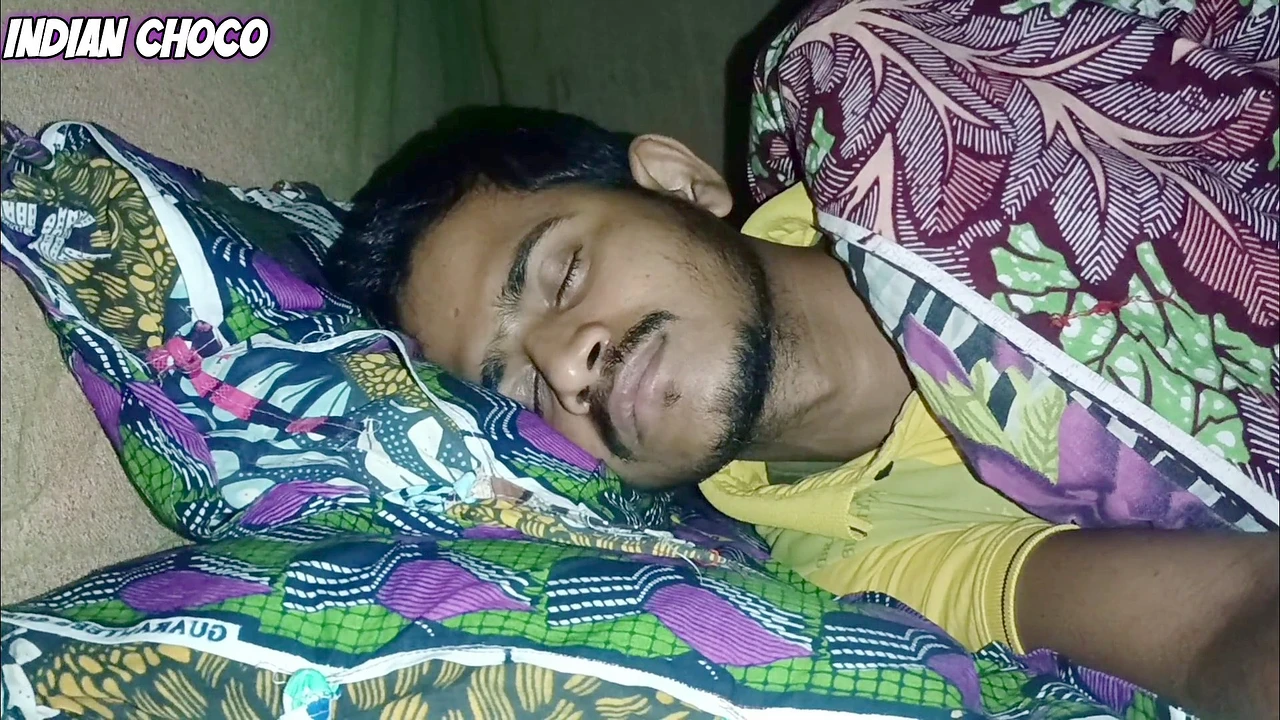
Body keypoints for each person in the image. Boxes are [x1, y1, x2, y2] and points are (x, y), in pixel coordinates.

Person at [326, 103, 1276, 719]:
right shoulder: (847, 573)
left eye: (564, 271)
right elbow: (1219, 617)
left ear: (678, 183)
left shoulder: (898, 123)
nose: (568, 363)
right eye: (523, 390)